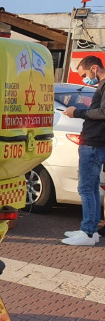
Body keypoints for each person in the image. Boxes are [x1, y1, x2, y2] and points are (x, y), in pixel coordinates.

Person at [62, 55, 105, 246]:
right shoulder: (101, 86)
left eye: (85, 75)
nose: (85, 80)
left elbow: (103, 112)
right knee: (92, 187)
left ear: (94, 68)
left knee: (86, 188)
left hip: (93, 143)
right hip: (95, 141)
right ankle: (91, 230)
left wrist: (77, 112)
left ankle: (87, 232)